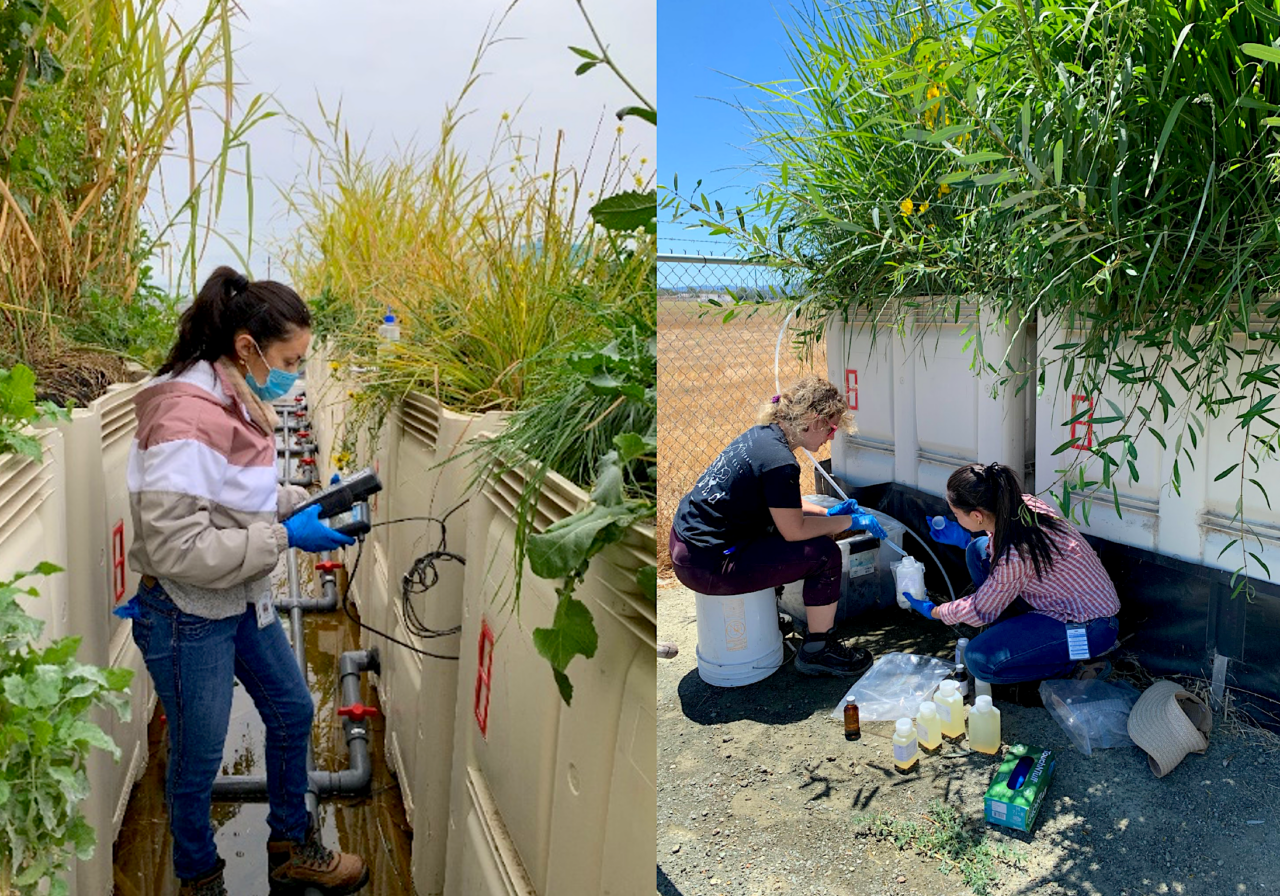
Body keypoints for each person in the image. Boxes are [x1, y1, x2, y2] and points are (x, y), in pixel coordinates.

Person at [115, 267, 369, 895]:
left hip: (238, 595)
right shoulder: (182, 414)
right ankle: (201, 877)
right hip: (185, 610)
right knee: (200, 760)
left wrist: (300, 498)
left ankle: (292, 841)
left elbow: (230, 491)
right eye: (290, 359)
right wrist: (287, 536)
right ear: (247, 346)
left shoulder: (229, 394)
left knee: (290, 710)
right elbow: (177, 545)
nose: (295, 375)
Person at [669, 376, 889, 677]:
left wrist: (827, 512)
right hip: (707, 564)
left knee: (780, 535)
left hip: (689, 544)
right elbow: (794, 530)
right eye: (832, 427)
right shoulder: (780, 461)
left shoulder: (762, 437)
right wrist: (850, 521)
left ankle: (770, 619)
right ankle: (817, 649)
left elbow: (780, 501)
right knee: (823, 554)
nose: (831, 437)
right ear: (813, 420)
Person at [902, 462, 1120, 685]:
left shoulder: (1015, 554)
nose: (955, 518)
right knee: (977, 550)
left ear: (977, 515)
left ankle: (1071, 666)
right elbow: (999, 551)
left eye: (956, 514)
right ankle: (1017, 637)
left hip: (1089, 627)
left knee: (980, 661)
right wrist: (965, 539)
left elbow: (980, 609)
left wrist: (936, 611)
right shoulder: (1021, 504)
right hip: (1062, 601)